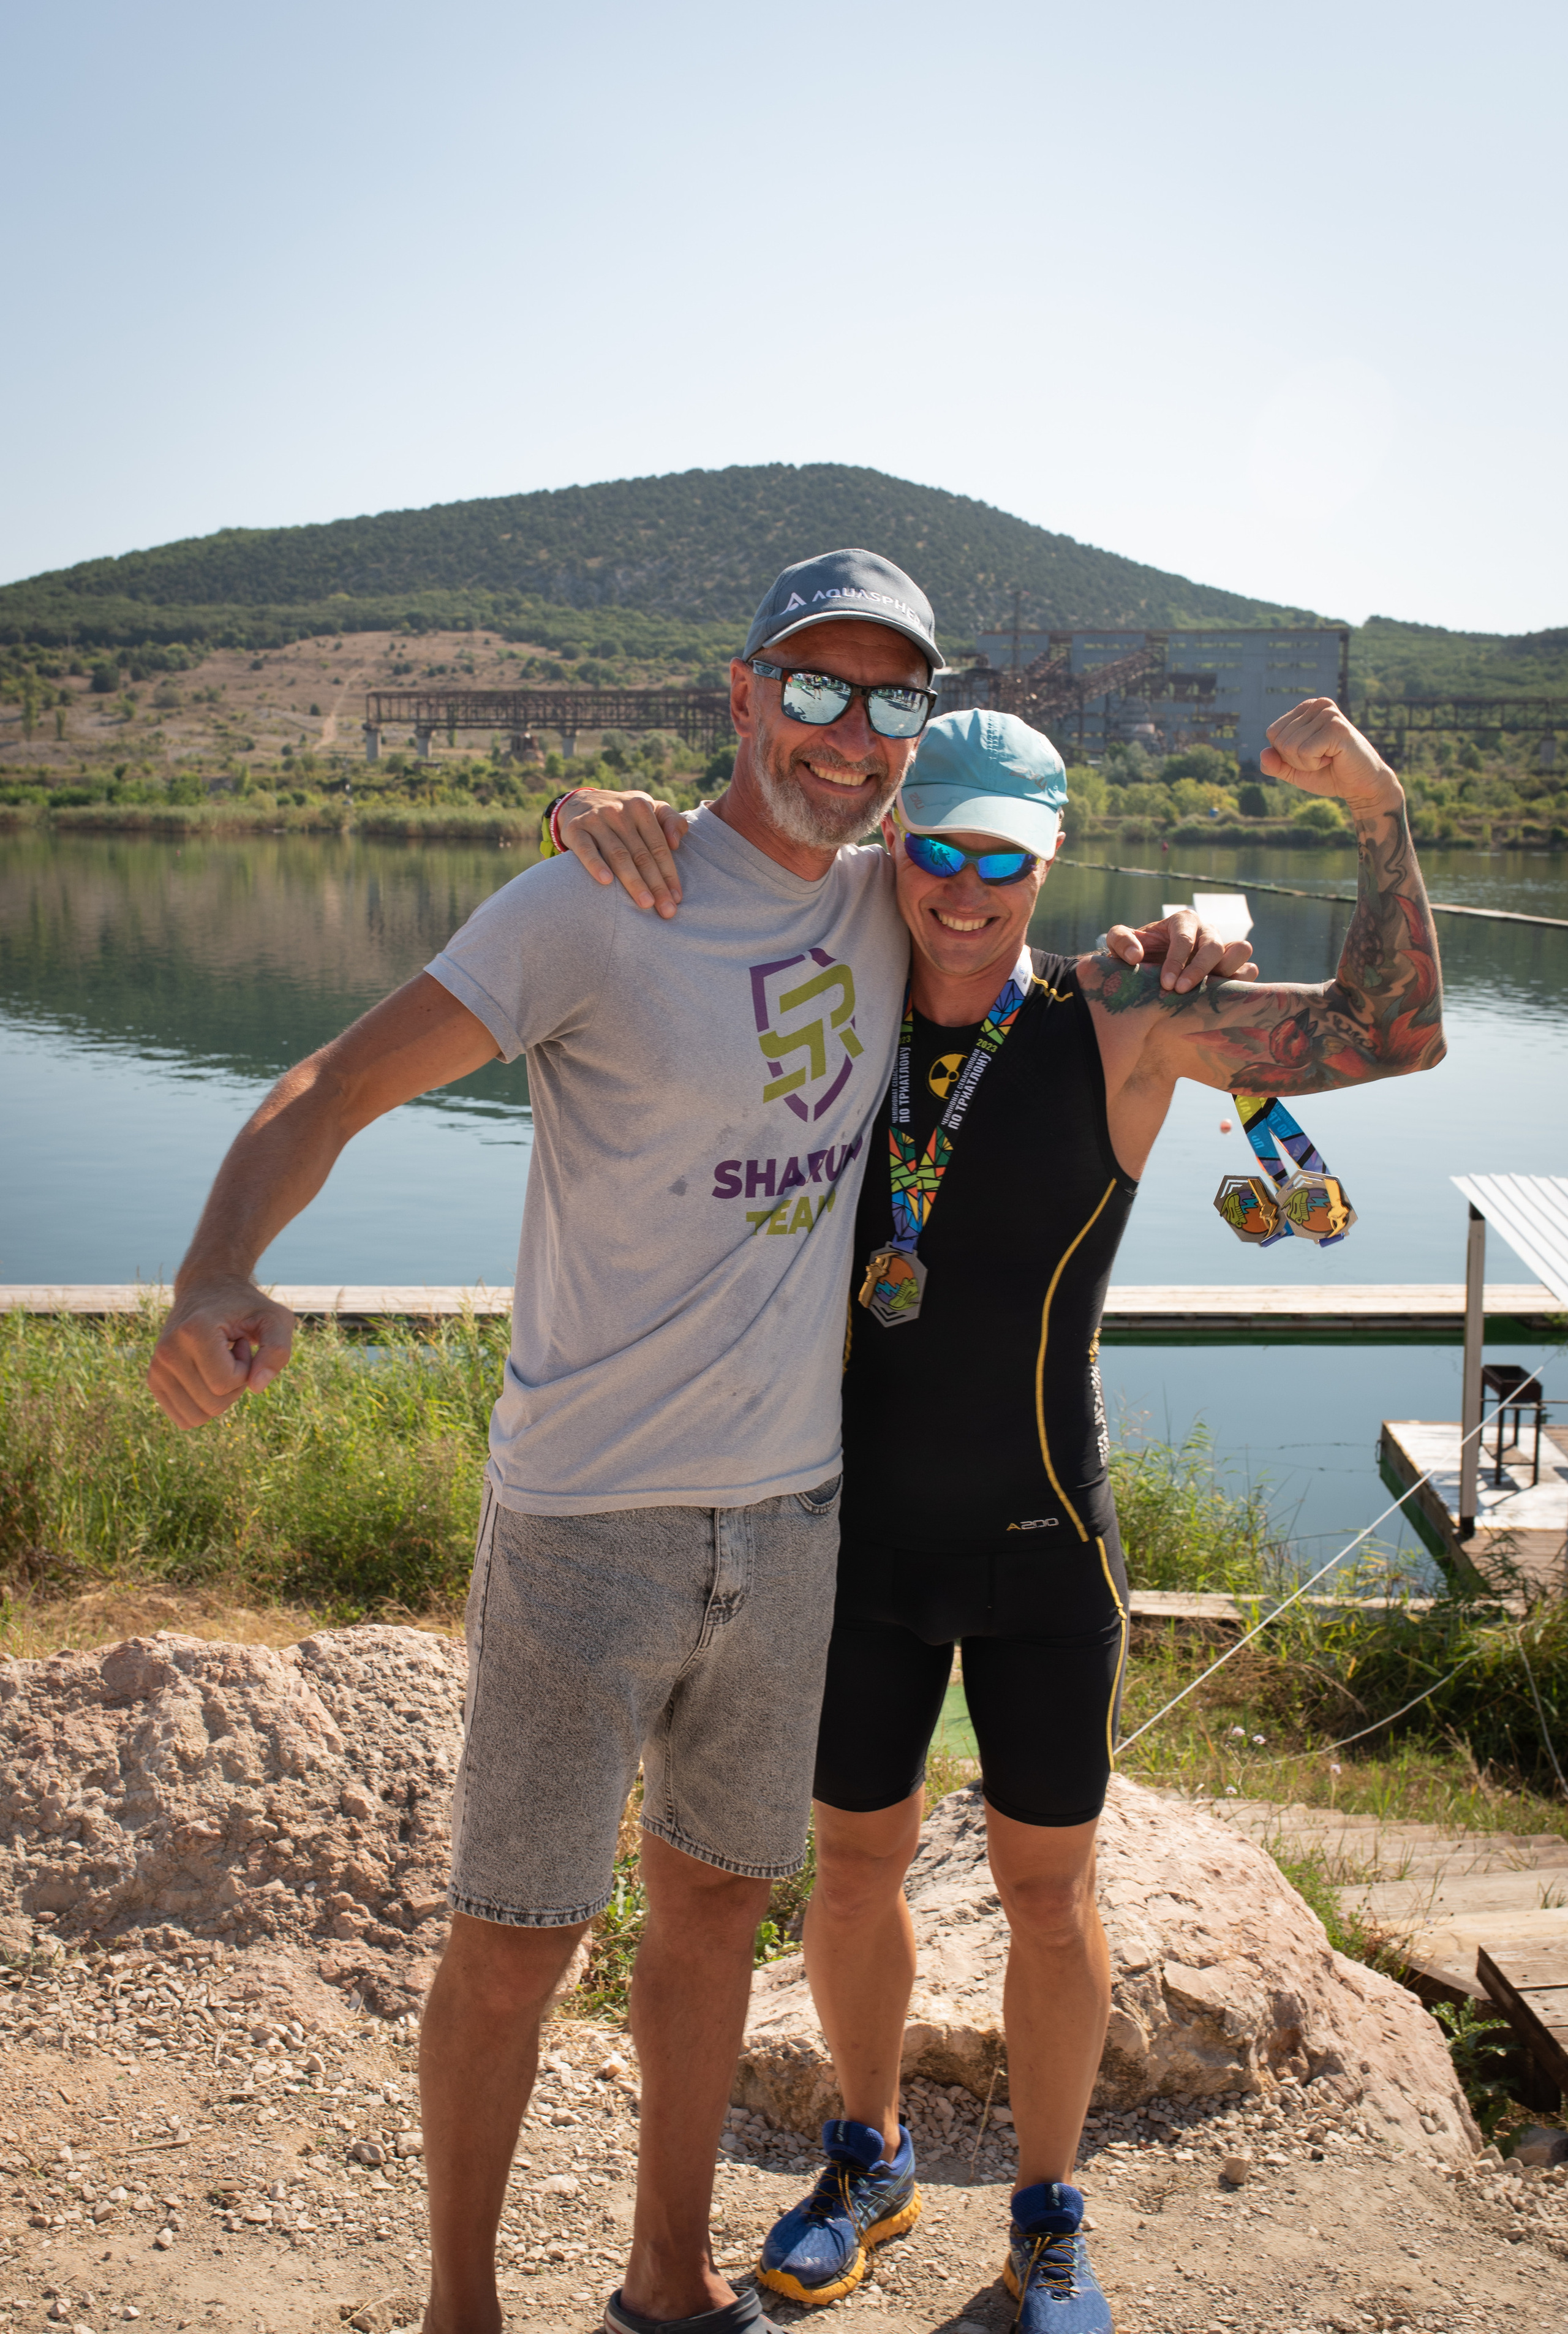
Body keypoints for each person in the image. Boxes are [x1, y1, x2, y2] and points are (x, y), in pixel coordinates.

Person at [145, 547, 1237, 2334]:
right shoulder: (591, 900)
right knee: (512, 1944)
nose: (851, 730)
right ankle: (461, 2313)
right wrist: (214, 1270)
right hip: (587, 1519)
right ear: (739, 695)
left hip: (797, 1520)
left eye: (890, 700)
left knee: (718, 1915)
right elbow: (329, 1082)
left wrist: (1212, 916)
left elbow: (1021, 890)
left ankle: (669, 2282)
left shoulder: (905, 892)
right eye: (815, 686)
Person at [562, 698, 1444, 2334]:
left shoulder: (1123, 1019)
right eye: (936, 848)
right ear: (896, 845)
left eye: (1003, 861)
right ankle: (873, 2156)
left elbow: (1390, 1032)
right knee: (848, 1872)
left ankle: (1046, 2221)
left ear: (1046, 865)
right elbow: (686, 897)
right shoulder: (833, 995)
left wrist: (1372, 810)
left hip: (1047, 1540)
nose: (963, 890)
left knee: (1050, 1894)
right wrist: (608, 816)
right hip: (860, 1542)